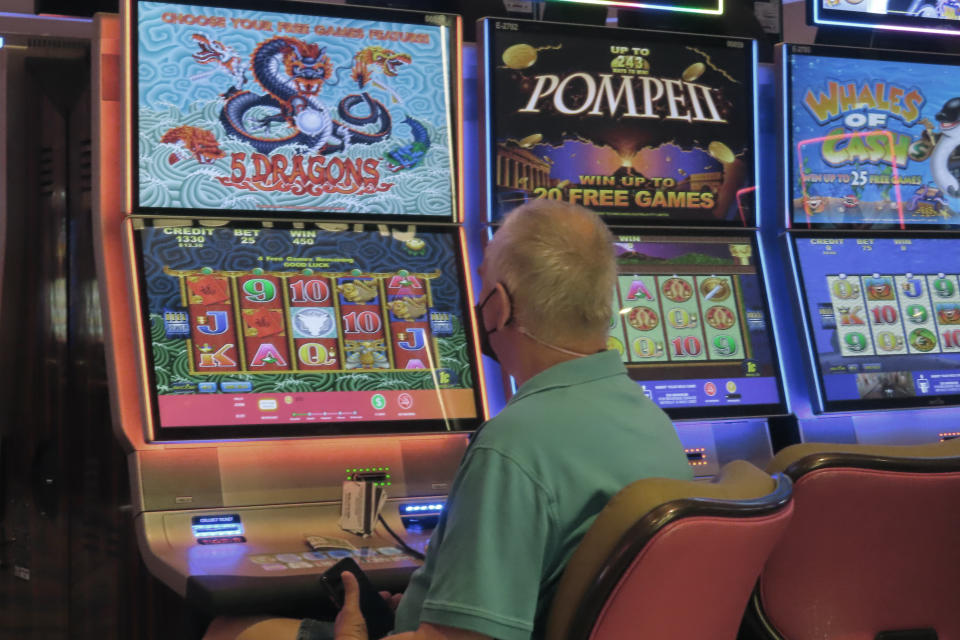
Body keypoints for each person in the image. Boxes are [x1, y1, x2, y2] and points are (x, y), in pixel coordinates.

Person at [205, 200, 693, 640]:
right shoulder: (651, 420)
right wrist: (425, 607)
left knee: (233, 629)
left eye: (481, 282)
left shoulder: (514, 445)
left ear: (498, 307)